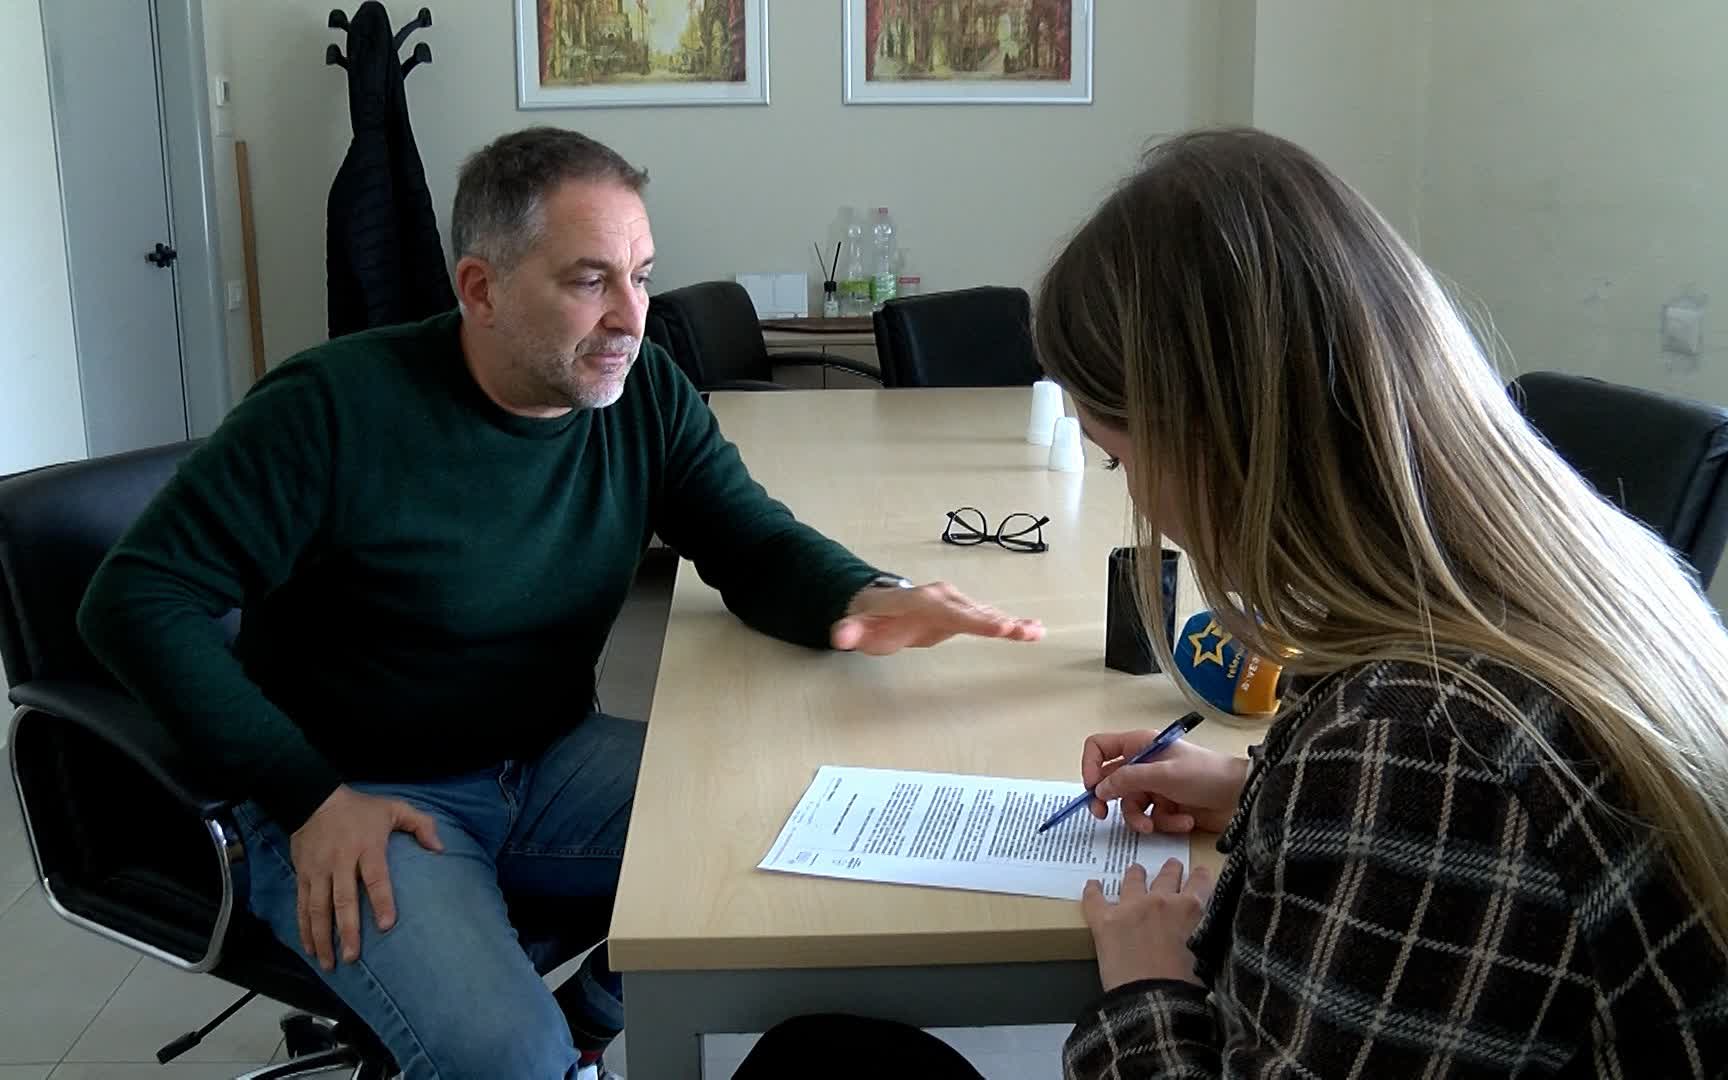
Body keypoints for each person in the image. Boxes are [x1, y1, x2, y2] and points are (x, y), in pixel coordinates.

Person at [76, 126, 1041, 1080]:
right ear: (480, 289)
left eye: (643, 276)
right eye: (590, 282)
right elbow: (133, 597)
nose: (632, 317)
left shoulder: (642, 391)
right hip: (362, 795)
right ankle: (549, 1047)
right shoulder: (332, 407)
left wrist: (871, 593)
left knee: (808, 839)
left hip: (548, 761)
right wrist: (306, 797)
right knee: (511, 1059)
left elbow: (747, 539)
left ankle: (589, 1020)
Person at [1040, 129, 1728, 1076]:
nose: (1144, 504)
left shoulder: (1417, 748)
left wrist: (1148, 990)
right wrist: (1261, 792)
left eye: (1120, 459)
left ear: (1212, 439)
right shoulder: (1596, 572)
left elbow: (1450, 800)